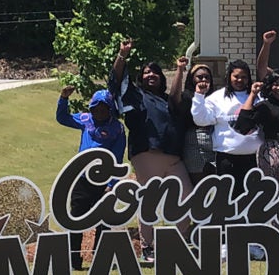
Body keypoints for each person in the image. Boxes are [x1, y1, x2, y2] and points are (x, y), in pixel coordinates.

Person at [110, 40, 194, 261]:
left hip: (173, 158)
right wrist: (123, 55)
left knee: (185, 196)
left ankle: (184, 241)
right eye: (146, 73)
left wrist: (180, 69)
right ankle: (147, 247)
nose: (151, 75)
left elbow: (178, 95)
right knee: (149, 202)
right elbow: (117, 81)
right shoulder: (135, 96)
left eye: (155, 72)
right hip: (146, 154)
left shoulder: (168, 100)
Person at [56, 85, 126, 270]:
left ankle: (101, 259)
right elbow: (62, 118)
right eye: (96, 107)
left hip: (103, 182)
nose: (99, 111)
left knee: (104, 220)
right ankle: (73, 261)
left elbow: (117, 157)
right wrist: (64, 99)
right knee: (75, 219)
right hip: (81, 178)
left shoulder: (117, 128)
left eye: (104, 108)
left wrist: (113, 183)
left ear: (110, 108)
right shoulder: (85, 119)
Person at [191, 59, 260, 190]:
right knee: (229, 200)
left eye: (244, 77)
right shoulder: (216, 97)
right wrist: (199, 96)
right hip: (227, 159)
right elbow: (201, 120)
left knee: (254, 201)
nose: (240, 80)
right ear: (229, 76)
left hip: (255, 158)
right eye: (236, 76)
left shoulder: (256, 96)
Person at [170, 57, 216, 185]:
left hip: (214, 143)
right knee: (198, 186)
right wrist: (180, 69)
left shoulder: (215, 97)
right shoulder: (186, 96)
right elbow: (174, 96)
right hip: (194, 144)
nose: (203, 80)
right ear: (192, 79)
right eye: (199, 77)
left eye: (207, 77)